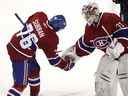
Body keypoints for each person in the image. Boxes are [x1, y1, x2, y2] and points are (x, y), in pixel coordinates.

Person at [62, 2, 128, 96]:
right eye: (85, 15)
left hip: (126, 52)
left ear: (96, 12)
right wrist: (73, 54)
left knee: (125, 74)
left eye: (89, 14)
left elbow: (124, 32)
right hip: (111, 55)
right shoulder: (89, 28)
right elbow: (85, 44)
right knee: (102, 78)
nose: (87, 17)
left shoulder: (110, 17)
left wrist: (119, 46)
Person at [6, 11, 74, 96]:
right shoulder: (52, 39)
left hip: (15, 42)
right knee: (20, 85)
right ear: (58, 28)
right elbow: (53, 60)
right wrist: (66, 65)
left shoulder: (40, 15)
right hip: (20, 54)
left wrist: (37, 32)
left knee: (34, 70)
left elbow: (28, 22)